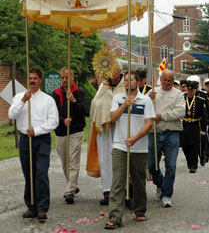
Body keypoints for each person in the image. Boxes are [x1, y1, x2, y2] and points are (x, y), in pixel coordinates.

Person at [105, 71, 155, 229]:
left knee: (138, 181)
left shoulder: (146, 100)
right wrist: (125, 106)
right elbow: (112, 118)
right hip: (119, 145)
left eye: (131, 80)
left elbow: (149, 124)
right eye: (125, 80)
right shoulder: (117, 99)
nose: (128, 83)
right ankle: (114, 217)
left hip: (138, 147)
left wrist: (135, 138)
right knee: (118, 181)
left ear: (138, 82)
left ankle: (140, 210)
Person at [9, 67, 59, 220]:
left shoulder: (48, 100)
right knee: (28, 173)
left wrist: (37, 130)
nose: (32, 81)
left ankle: (42, 207)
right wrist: (23, 101)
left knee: (41, 173)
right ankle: (31, 206)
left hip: (42, 140)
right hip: (25, 140)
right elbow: (11, 114)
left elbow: (54, 122)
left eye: (35, 78)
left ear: (40, 80)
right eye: (30, 78)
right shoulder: (19, 97)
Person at [86, 64, 124, 206]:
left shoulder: (124, 85)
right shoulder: (103, 87)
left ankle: (123, 190)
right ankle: (107, 191)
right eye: (110, 71)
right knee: (105, 158)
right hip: (104, 128)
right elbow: (95, 103)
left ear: (120, 71)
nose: (112, 73)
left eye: (115, 70)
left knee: (121, 158)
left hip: (120, 127)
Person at [147, 70, 185, 208]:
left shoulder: (178, 94)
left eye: (169, 80)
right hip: (154, 132)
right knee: (151, 164)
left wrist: (161, 115)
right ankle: (161, 183)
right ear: (160, 79)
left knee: (171, 165)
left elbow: (180, 112)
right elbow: (143, 109)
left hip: (172, 132)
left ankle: (167, 195)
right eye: (164, 80)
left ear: (173, 80)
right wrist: (148, 99)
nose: (167, 83)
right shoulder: (152, 92)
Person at [52, 67, 86, 204]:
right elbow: (53, 115)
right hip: (61, 131)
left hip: (76, 131)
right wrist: (62, 121)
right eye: (62, 78)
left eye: (67, 77)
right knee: (65, 161)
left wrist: (73, 101)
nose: (65, 80)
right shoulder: (56, 94)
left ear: (73, 77)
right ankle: (73, 184)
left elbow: (83, 111)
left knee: (73, 160)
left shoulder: (80, 92)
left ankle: (69, 191)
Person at [180, 79, 208, 173]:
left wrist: (204, 129)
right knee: (185, 145)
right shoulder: (182, 98)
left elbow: (204, 116)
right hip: (184, 125)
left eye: (192, 91)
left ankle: (193, 166)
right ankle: (189, 161)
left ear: (195, 90)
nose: (190, 92)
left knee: (194, 146)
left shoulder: (200, 101)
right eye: (188, 90)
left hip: (195, 126)